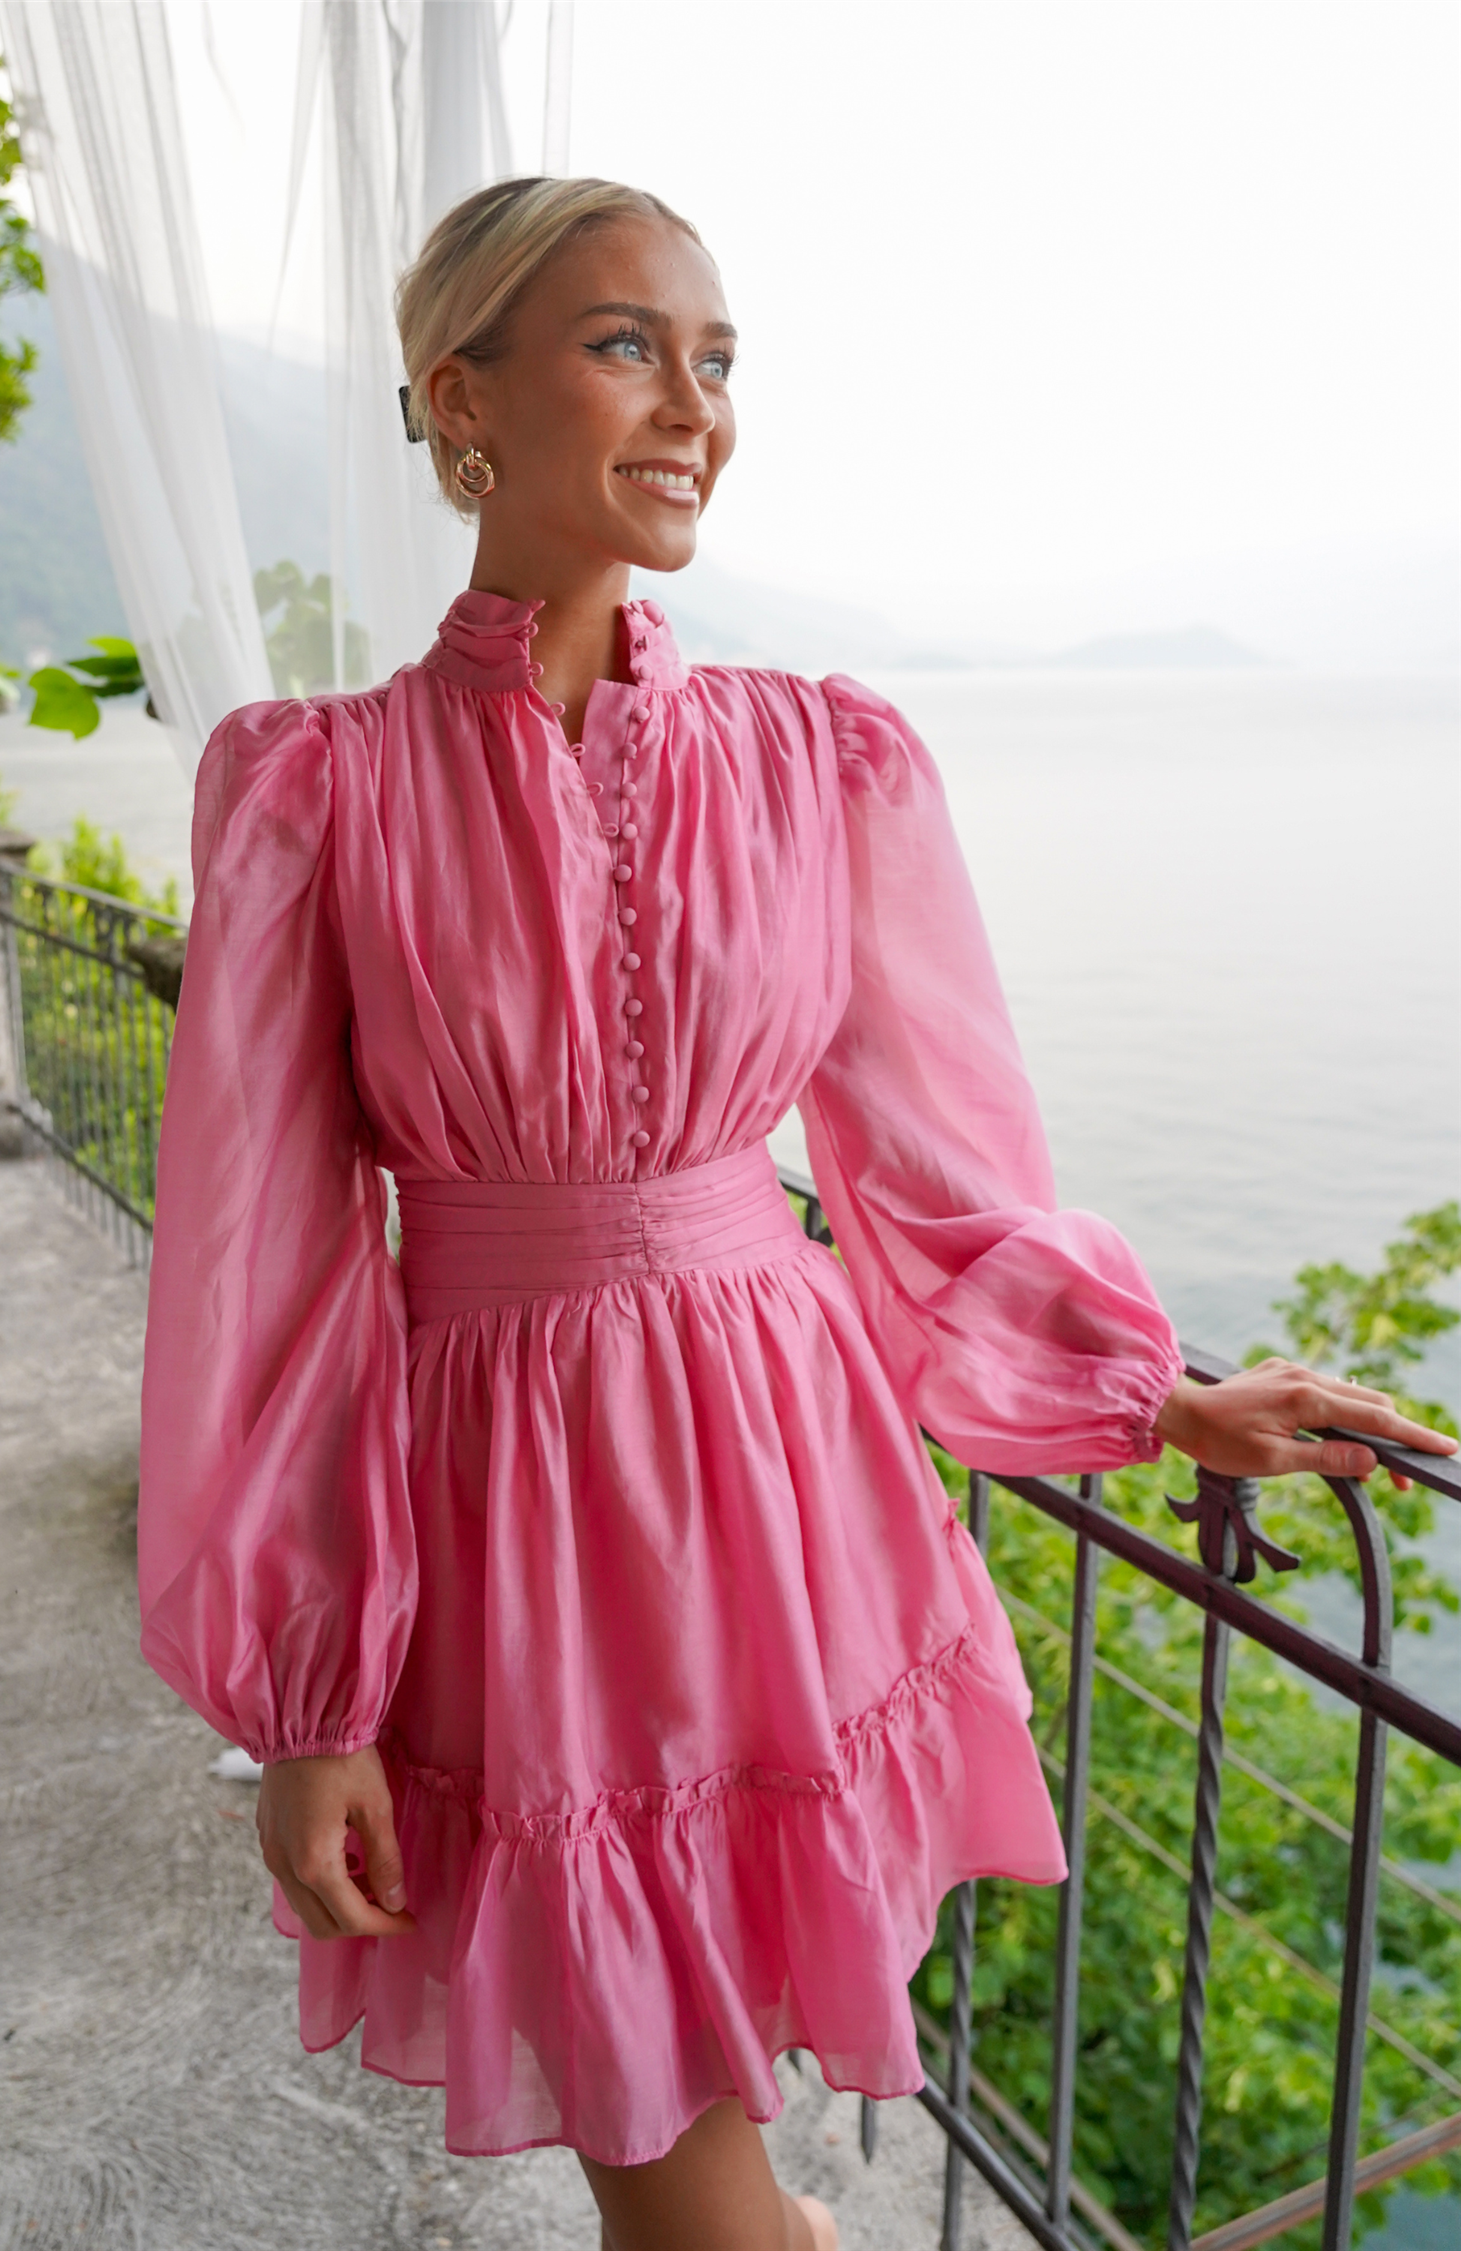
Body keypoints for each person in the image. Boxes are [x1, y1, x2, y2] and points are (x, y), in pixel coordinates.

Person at [136, 177, 1453, 2251]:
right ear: (460, 397)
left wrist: (1154, 1395)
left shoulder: (814, 759)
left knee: (706, 2104)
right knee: (671, 2154)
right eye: (628, 345)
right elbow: (265, 1272)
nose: (696, 405)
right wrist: (309, 1703)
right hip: (512, 1527)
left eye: (721, 358)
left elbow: (935, 1165)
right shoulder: (319, 787)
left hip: (786, 1490)